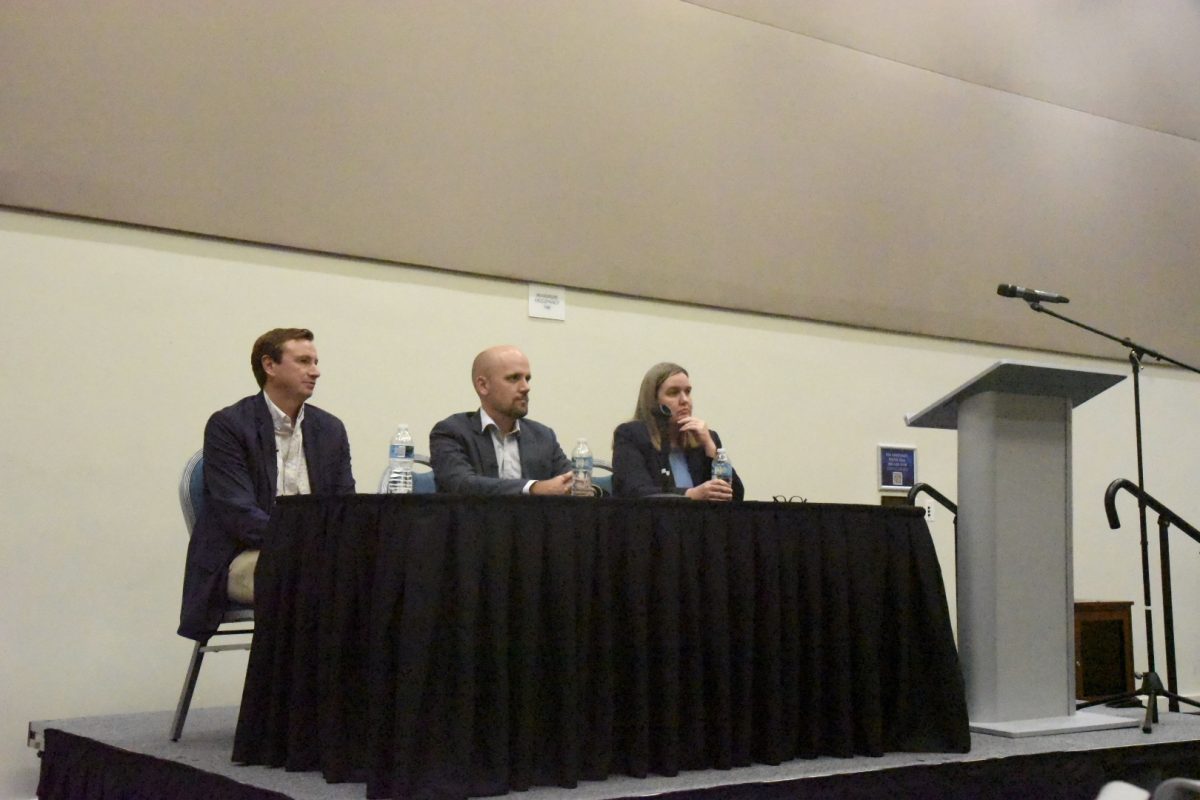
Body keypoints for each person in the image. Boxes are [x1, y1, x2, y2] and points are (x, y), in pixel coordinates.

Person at [177, 328, 355, 641]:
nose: (315, 371)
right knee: (313, 578)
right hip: (243, 555)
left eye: (315, 361)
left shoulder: (330, 430)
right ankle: (291, 687)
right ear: (270, 366)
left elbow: (345, 505)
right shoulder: (229, 426)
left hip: (313, 554)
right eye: (303, 361)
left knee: (377, 575)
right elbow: (239, 514)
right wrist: (305, 543)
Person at [430, 345, 574, 495]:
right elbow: (463, 485)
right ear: (483, 385)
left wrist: (583, 487)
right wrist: (533, 488)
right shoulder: (451, 432)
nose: (526, 387)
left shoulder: (543, 436)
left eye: (527, 379)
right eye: (514, 378)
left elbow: (570, 481)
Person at [612, 362, 744, 500]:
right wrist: (691, 495)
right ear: (653, 401)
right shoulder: (631, 435)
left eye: (687, 392)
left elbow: (736, 497)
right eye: (673, 393)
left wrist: (711, 448)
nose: (684, 400)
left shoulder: (707, 438)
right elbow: (635, 491)